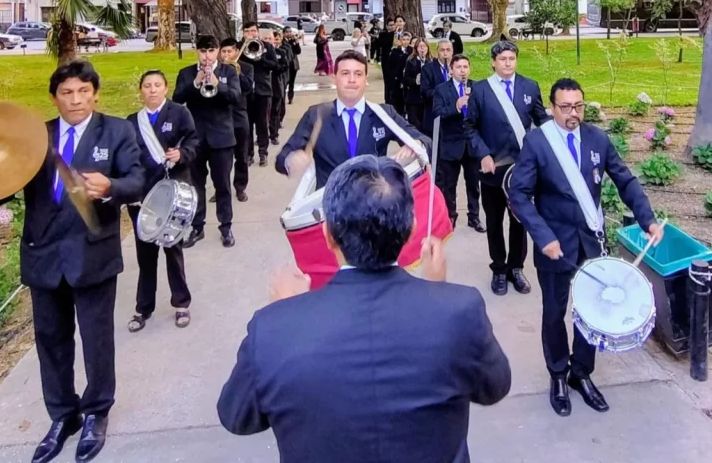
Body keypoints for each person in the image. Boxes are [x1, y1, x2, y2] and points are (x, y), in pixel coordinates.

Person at [218, 156, 512, 463]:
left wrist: (287, 314)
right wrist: (436, 293)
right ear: (411, 229)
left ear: (327, 234)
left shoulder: (273, 329)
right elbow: (494, 386)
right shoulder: (460, 311)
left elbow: (236, 415)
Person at [0, 60, 144, 463]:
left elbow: (138, 179)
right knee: (51, 342)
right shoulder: (37, 138)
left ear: (95, 94)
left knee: (96, 340)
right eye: (67, 93)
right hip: (43, 256)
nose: (76, 100)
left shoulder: (117, 131)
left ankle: (96, 412)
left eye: (83, 92)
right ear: (54, 98)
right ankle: (62, 415)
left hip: (92, 254)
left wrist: (111, 186)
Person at [508, 77, 663, 417]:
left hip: (591, 241)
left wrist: (647, 220)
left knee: (591, 310)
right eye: (565, 107)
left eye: (578, 106)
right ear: (552, 108)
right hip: (554, 245)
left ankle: (581, 372)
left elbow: (625, 180)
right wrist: (543, 236)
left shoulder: (597, 139)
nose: (573, 113)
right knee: (554, 312)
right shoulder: (537, 142)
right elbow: (518, 194)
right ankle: (557, 374)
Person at [464, 40, 548, 296]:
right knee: (494, 221)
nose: (508, 63)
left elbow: (542, 121)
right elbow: (470, 127)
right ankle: (499, 269)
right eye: (502, 59)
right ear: (493, 62)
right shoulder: (481, 90)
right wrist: (483, 154)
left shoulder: (530, 86)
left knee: (519, 222)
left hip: (522, 171)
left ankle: (516, 268)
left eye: (511, 58)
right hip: (492, 170)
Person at [276, 50, 429, 190]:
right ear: (335, 78)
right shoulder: (316, 115)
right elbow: (283, 158)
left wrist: (416, 144)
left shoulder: (383, 114)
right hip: (329, 204)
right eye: (345, 73)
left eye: (358, 74)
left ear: (365, 79)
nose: (352, 80)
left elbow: (425, 141)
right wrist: (291, 161)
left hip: (373, 202)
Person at [125, 70, 198, 332]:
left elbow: (194, 140)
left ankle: (181, 303)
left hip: (172, 192)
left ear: (166, 88)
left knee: (173, 249)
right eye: (147, 85)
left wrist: (182, 154)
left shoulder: (179, 113)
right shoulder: (132, 122)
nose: (152, 90)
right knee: (145, 255)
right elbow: (126, 157)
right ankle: (143, 307)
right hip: (144, 196)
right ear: (140, 91)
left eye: (157, 85)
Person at [173, 34, 241, 248]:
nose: (207, 56)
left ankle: (226, 227)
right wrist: (196, 82)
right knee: (196, 185)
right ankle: (197, 226)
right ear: (197, 52)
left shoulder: (228, 72)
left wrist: (216, 84)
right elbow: (177, 99)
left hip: (222, 137)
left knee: (223, 185)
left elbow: (236, 97)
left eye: (211, 51)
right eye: (203, 51)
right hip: (195, 139)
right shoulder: (186, 73)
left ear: (217, 51)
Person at [433, 54, 484, 233]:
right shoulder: (441, 90)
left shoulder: (477, 87)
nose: (462, 71)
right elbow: (437, 112)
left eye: (465, 67)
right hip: (451, 144)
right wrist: (456, 106)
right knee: (449, 185)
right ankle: (450, 216)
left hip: (471, 145)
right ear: (451, 70)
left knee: (473, 183)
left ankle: (474, 217)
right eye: (458, 67)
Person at [215, 38, 252, 203]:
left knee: (241, 156)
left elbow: (248, 87)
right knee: (222, 159)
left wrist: (237, 72)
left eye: (229, 51)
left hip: (239, 116)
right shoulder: (216, 70)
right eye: (223, 51)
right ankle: (221, 189)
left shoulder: (246, 67)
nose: (226, 55)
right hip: (221, 118)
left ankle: (240, 187)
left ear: (236, 52)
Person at [240, 22, 280, 168]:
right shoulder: (240, 47)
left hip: (263, 90)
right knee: (247, 125)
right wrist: (244, 51)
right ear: (243, 33)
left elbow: (275, 66)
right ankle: (249, 154)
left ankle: (263, 153)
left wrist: (261, 58)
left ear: (257, 32)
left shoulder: (266, 47)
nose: (250, 34)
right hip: (245, 92)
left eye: (253, 31)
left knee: (262, 123)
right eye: (247, 31)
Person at [420, 38, 454, 136]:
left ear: (452, 51)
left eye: (448, 50)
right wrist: (443, 91)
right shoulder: (427, 68)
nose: (445, 53)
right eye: (442, 50)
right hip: (434, 116)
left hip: (453, 118)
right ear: (437, 52)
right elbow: (424, 92)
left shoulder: (457, 68)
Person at [401, 38, 431, 130]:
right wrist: (415, 81)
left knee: (426, 126)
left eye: (424, 46)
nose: (422, 49)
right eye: (420, 46)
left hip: (427, 100)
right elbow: (405, 80)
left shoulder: (431, 62)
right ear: (416, 48)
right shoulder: (411, 61)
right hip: (414, 99)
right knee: (415, 125)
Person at [270, 30, 292, 146]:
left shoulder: (281, 52)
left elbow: (285, 66)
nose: (272, 41)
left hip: (277, 84)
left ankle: (274, 135)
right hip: (263, 86)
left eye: (272, 39)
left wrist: (272, 64)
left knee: (275, 111)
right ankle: (261, 137)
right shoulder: (260, 52)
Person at [384, 31, 411, 116]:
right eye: (404, 39)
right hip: (397, 80)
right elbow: (390, 67)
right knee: (398, 99)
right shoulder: (395, 52)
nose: (406, 42)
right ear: (400, 40)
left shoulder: (412, 51)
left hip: (408, 79)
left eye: (407, 39)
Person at [283, 26, 301, 105]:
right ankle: (282, 97)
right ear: (283, 33)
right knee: (284, 83)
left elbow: (298, 51)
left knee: (292, 83)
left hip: (293, 65)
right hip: (285, 65)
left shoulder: (293, 41)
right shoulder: (282, 41)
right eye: (287, 32)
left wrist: (296, 42)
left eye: (290, 32)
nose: (289, 33)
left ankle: (290, 97)